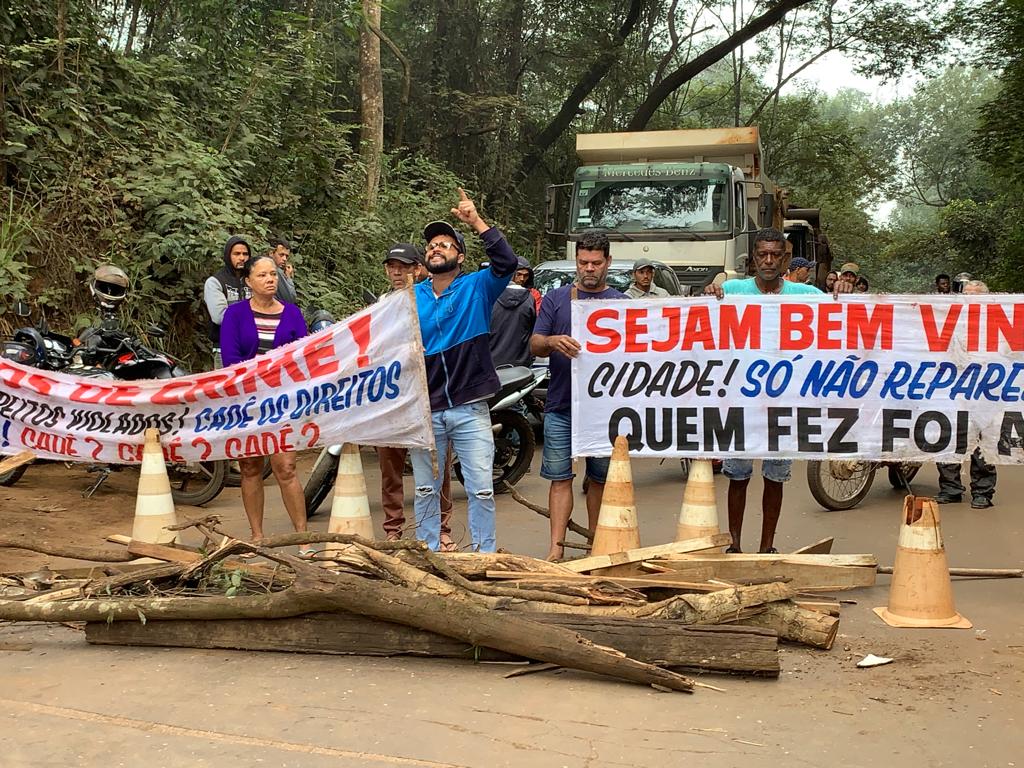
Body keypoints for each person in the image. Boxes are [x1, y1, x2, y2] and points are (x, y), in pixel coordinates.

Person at [711, 228, 848, 553]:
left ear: (785, 259)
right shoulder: (732, 291)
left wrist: (844, 291)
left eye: (775, 255)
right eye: (763, 254)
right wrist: (710, 293)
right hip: (742, 402)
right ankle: (734, 546)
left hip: (785, 404)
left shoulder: (807, 295)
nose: (769, 260)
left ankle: (767, 547)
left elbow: (841, 311)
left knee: (775, 476)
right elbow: (703, 317)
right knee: (737, 475)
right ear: (754, 258)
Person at [409, 188, 518, 552]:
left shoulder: (478, 287)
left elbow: (506, 262)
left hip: (470, 407)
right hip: (427, 410)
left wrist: (476, 222)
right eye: (431, 245)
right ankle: (428, 553)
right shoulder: (411, 297)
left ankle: (483, 555)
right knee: (425, 489)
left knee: (481, 489)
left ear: (461, 256)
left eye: (445, 244)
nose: (435, 249)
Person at [531, 231, 626, 561]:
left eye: (596, 263)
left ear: (608, 262)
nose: (589, 269)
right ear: (576, 261)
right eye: (583, 262)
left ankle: (596, 547)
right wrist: (552, 341)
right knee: (560, 479)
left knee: (600, 480)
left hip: (605, 411)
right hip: (561, 404)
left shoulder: (622, 304)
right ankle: (555, 550)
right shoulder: (556, 299)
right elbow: (535, 343)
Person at [220, 255, 311, 555]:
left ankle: (303, 538)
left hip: (283, 403)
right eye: (262, 275)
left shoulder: (292, 313)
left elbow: (302, 358)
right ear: (248, 281)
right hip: (247, 403)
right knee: (250, 467)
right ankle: (257, 537)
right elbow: (231, 360)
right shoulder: (235, 315)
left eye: (273, 274)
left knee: (286, 467)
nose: (270, 279)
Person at [377, 243, 456, 549]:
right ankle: (393, 529)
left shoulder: (432, 300)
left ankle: (441, 527)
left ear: (418, 269)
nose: (398, 272)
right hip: (394, 397)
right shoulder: (383, 304)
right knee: (390, 467)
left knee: (437, 464)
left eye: (404, 267)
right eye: (392, 267)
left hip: (430, 394)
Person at [936, 279, 997, 509]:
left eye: (975, 294)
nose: (969, 298)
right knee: (948, 436)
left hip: (984, 390)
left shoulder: (995, 322)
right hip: (952, 388)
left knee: (981, 440)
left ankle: (982, 492)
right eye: (966, 294)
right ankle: (950, 488)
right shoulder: (950, 321)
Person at [204, 236, 252, 368]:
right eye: (237, 254)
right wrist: (254, 314)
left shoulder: (253, 279)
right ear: (228, 255)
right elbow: (220, 316)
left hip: (252, 347)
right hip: (224, 347)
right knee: (227, 382)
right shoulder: (215, 282)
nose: (242, 258)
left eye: (245, 254)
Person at [490, 256, 537, 368]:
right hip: (520, 364)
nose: (522, 279)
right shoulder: (529, 299)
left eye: (526, 275)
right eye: (519, 274)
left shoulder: (489, 296)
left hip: (493, 361)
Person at [270, 236, 298, 304]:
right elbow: (290, 299)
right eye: (281, 255)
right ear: (271, 253)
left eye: (286, 256)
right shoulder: (276, 271)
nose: (284, 259)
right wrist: (288, 277)